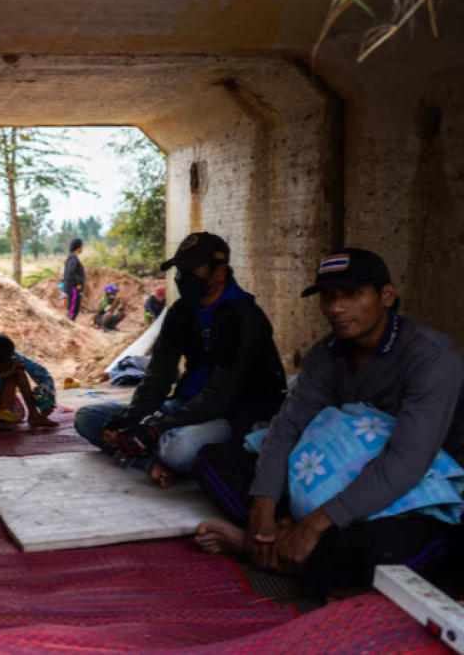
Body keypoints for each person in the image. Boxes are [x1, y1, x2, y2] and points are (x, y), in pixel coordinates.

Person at [193, 249, 464, 599]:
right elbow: (287, 427)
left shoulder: (430, 357)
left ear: (386, 295)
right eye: (328, 296)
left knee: (382, 553)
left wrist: (315, 523)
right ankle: (286, 542)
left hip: (419, 492)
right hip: (337, 480)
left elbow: (405, 463)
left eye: (351, 294)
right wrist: (263, 505)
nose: (336, 307)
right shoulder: (328, 353)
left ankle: (259, 546)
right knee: (213, 462)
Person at [74, 232, 287, 487]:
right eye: (180, 270)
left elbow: (220, 396)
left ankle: (155, 456)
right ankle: (152, 463)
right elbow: (159, 374)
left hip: (233, 414)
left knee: (179, 447)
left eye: (191, 270)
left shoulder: (244, 316)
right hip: (184, 406)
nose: (182, 277)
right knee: (89, 418)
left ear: (219, 273)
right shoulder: (182, 312)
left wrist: (155, 429)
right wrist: (130, 419)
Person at [60, 238, 86, 322]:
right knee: (73, 309)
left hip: (71, 287)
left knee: (72, 308)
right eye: (81, 246)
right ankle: (69, 325)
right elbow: (70, 272)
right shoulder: (73, 258)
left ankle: (70, 324)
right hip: (73, 288)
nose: (82, 248)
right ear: (79, 247)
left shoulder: (71, 257)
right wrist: (77, 283)